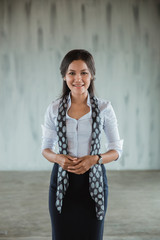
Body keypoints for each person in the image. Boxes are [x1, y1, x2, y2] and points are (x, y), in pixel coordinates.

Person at [41, 49, 123, 240]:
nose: (78, 79)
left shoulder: (104, 108)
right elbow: (45, 148)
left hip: (94, 183)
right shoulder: (53, 108)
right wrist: (58, 158)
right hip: (62, 183)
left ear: (92, 75)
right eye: (72, 73)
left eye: (84, 72)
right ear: (64, 76)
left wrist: (96, 159)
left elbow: (116, 150)